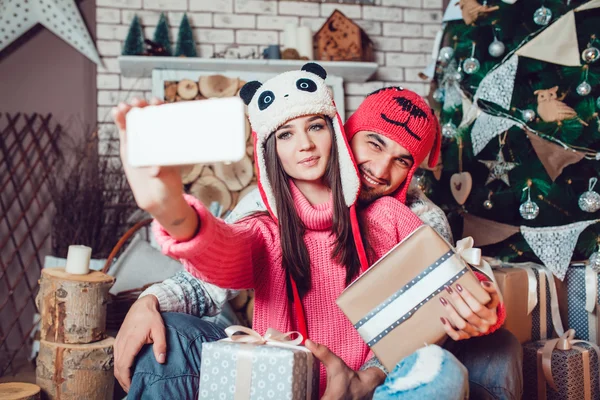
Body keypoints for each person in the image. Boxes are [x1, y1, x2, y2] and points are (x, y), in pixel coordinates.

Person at [113, 66, 508, 399]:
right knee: (171, 337)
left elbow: (450, 281)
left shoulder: (408, 216)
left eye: (402, 161)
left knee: (460, 362)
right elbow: (222, 263)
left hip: (368, 373)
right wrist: (154, 282)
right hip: (278, 365)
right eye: (373, 143)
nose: (381, 170)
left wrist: (484, 303)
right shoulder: (265, 210)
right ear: (345, 134)